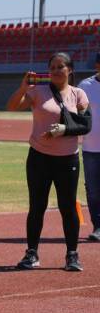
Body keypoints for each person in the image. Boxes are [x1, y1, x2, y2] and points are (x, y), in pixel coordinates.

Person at [6, 52, 90, 271]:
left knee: (68, 207)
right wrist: (23, 86)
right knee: (37, 207)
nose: (55, 71)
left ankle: (72, 254)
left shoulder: (78, 94)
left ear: (70, 70)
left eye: (60, 66)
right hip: (39, 158)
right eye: (52, 67)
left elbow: (86, 125)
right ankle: (31, 253)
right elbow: (12, 106)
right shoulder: (38, 91)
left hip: (67, 159)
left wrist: (64, 130)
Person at [78, 52, 100, 242]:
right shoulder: (85, 86)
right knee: (93, 189)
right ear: (97, 66)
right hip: (91, 147)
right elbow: (74, 111)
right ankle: (98, 226)